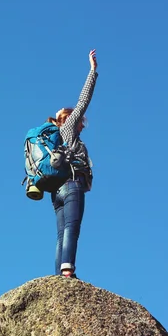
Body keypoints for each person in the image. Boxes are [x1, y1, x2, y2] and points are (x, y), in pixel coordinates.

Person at [48, 49, 98, 278]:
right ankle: (67, 269)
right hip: (71, 183)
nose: (82, 125)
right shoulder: (67, 129)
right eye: (80, 122)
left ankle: (60, 274)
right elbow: (83, 100)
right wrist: (93, 71)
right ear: (71, 119)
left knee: (61, 233)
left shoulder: (55, 137)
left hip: (55, 190)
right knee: (72, 229)